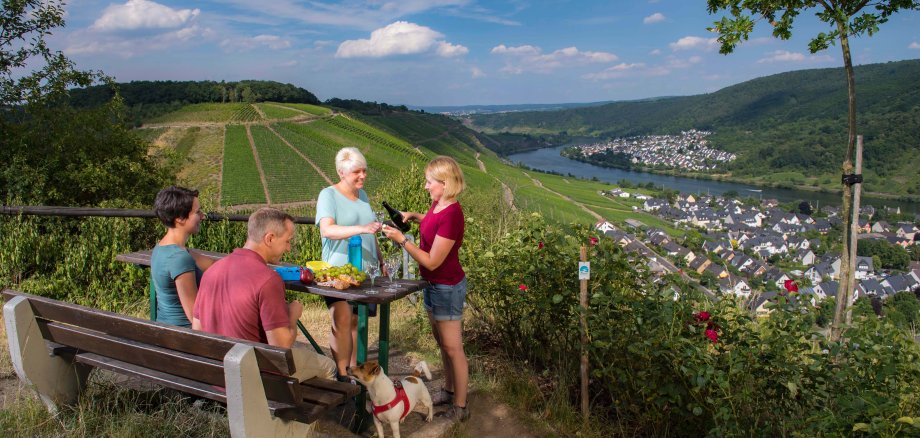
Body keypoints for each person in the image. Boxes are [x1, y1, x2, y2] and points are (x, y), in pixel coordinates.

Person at [193, 207, 336, 381]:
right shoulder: (268, 280)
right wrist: (293, 314)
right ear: (269, 238)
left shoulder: (212, 271)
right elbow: (281, 346)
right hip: (253, 377)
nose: (289, 248)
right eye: (287, 241)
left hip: (217, 373)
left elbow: (197, 328)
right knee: (329, 366)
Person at [381, 156, 470, 421]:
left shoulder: (453, 214)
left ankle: (461, 408)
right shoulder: (439, 204)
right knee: (443, 344)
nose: (425, 186)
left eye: (429, 181)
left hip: (447, 287)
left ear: (444, 183)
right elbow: (433, 222)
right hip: (433, 286)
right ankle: (449, 390)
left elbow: (432, 260)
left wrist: (403, 240)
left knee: (454, 348)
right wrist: (414, 217)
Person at [315, 147, 383, 380]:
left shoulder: (363, 196)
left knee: (357, 322)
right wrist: (361, 228)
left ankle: (354, 371)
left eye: (364, 171)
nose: (362, 176)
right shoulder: (328, 195)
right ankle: (342, 373)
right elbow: (327, 229)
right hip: (337, 273)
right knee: (342, 319)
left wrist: (381, 260)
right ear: (341, 172)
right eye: (357, 171)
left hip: (365, 272)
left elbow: (372, 230)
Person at [151, 186, 214, 327]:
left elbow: (213, 265)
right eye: (197, 212)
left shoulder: (161, 247)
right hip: (183, 336)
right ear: (179, 218)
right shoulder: (179, 258)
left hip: (164, 328)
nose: (202, 216)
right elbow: (195, 317)